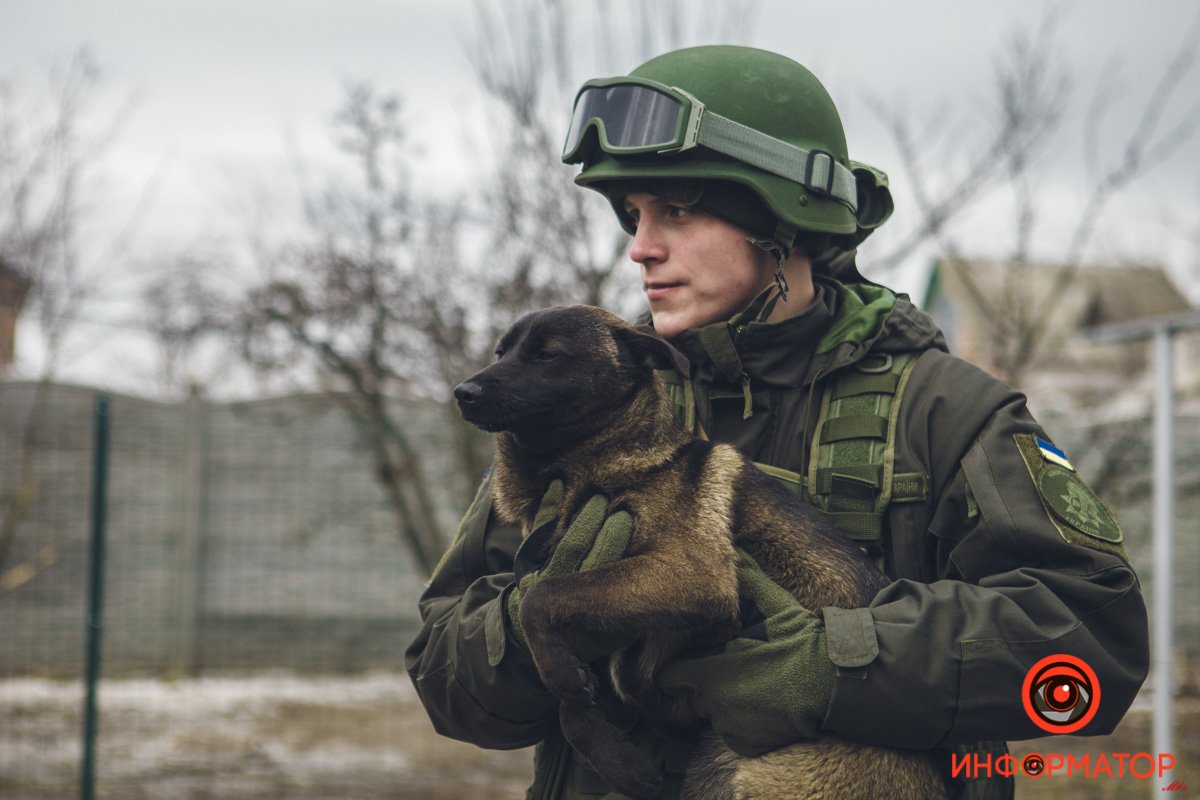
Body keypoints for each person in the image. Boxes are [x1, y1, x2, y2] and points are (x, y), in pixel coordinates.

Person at [405, 45, 1149, 799]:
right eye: (633, 215)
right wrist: (547, 628)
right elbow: (444, 679)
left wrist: (830, 667)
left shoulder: (943, 412)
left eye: (678, 210)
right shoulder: (593, 406)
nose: (640, 248)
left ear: (783, 220)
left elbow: (1090, 649)